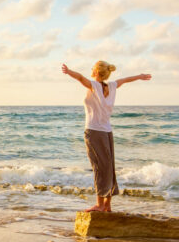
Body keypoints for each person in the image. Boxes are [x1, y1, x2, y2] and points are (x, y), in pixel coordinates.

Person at [61, 61, 151, 212]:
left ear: (96, 72)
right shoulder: (113, 86)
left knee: (99, 168)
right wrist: (140, 76)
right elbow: (126, 79)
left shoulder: (94, 86)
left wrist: (69, 72)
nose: (91, 70)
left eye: (93, 69)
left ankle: (99, 204)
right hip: (107, 132)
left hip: (94, 132)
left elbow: (80, 78)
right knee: (108, 168)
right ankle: (107, 205)